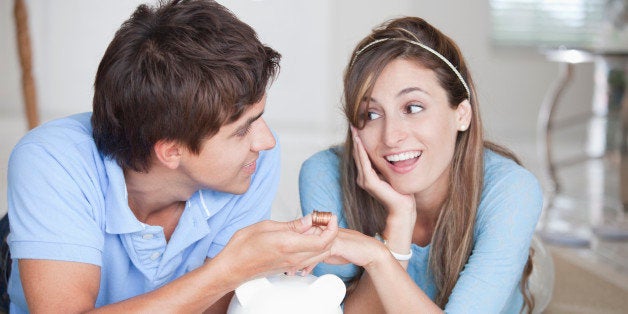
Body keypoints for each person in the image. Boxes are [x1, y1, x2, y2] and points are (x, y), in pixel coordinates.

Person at [6, 0, 338, 312]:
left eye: (259, 117)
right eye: (241, 130)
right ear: (171, 151)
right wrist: (233, 267)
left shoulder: (253, 163)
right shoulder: (52, 161)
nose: (265, 141)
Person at [299, 16, 545, 313]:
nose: (391, 137)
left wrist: (377, 257)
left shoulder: (512, 190)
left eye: (413, 108)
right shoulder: (324, 173)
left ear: (462, 114)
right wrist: (399, 223)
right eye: (371, 114)